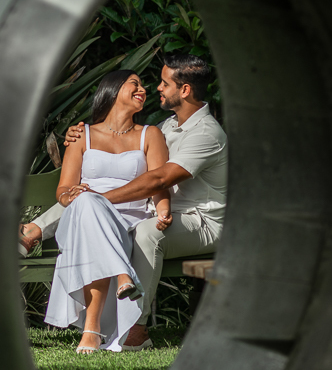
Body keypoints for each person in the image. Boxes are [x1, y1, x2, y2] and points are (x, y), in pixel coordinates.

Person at [22, 54, 227, 350]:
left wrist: (96, 200)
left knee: (144, 233)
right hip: (149, 211)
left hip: (201, 221)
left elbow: (158, 180)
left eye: (164, 83)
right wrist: (78, 137)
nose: (156, 88)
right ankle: (103, 312)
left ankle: (136, 329)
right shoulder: (170, 126)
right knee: (98, 213)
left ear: (184, 90)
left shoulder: (206, 133)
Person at [42, 70, 171, 354]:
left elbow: (160, 182)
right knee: (88, 203)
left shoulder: (150, 135)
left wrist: (163, 210)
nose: (143, 89)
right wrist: (70, 196)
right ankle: (122, 274)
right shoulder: (82, 135)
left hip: (126, 226)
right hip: (82, 221)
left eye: (142, 85)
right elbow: (64, 190)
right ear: (113, 90)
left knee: (91, 207)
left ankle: (92, 331)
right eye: (134, 83)